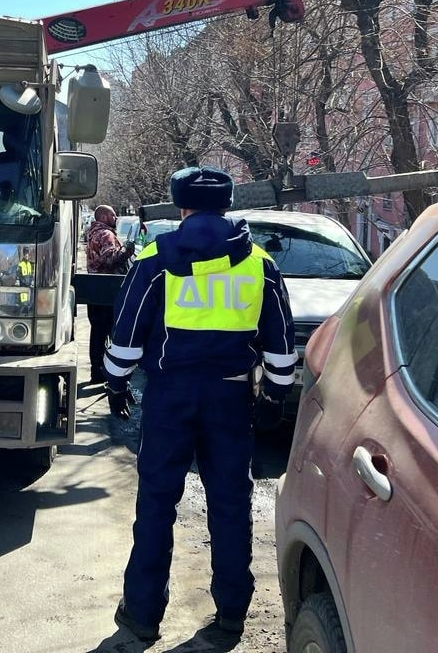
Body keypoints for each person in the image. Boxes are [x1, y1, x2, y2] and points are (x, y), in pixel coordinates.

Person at [104, 166, 296, 644]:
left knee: (156, 505)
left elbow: (126, 336)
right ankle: (232, 610)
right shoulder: (259, 263)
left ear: (181, 206)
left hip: (170, 398)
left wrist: (116, 382)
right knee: (231, 504)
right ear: (226, 206)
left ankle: (143, 613)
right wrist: (274, 395)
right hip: (231, 397)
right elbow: (281, 346)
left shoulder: (155, 259)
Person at [84, 205, 135, 385]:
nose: (116, 218)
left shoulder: (92, 234)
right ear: (105, 216)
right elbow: (110, 259)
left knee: (97, 333)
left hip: (95, 289)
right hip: (107, 290)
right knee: (109, 332)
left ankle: (96, 370)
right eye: (113, 215)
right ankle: (108, 372)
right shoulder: (106, 235)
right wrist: (127, 250)